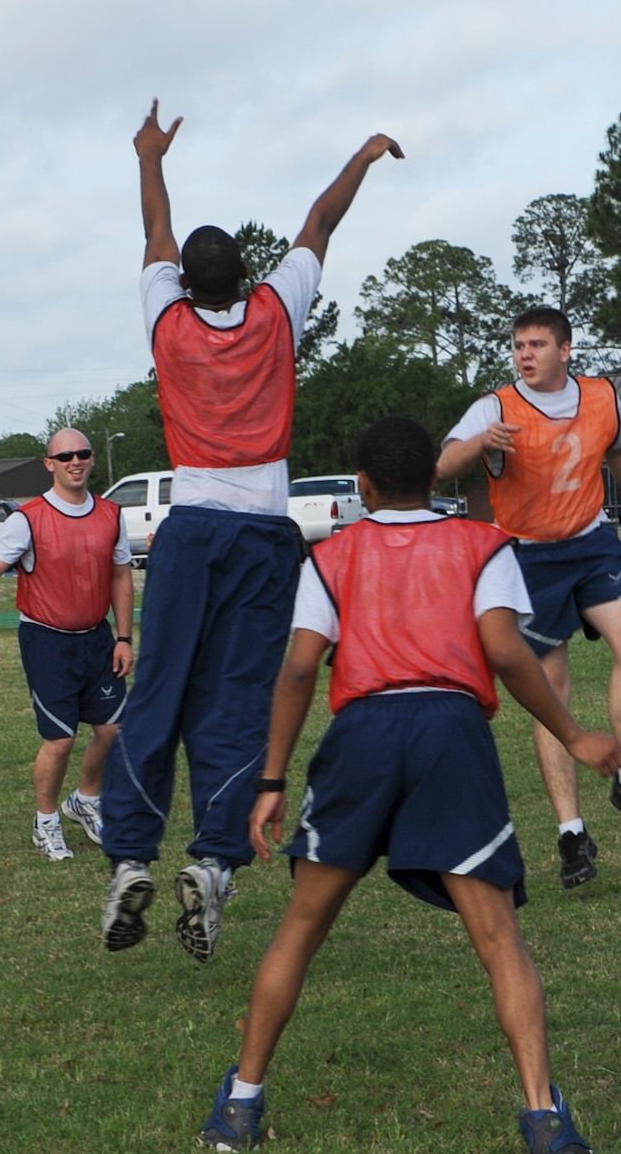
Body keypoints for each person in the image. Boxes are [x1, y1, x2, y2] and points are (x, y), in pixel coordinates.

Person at [197, 415, 621, 1154]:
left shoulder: (332, 554)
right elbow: (504, 650)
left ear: (361, 485)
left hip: (362, 733)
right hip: (451, 732)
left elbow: (299, 671)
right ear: (437, 475)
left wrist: (270, 779)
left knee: (300, 927)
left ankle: (240, 1105)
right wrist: (575, 732)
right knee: (499, 941)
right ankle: (544, 1124)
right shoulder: (480, 544)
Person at [99, 99, 402, 964]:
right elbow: (320, 220)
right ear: (246, 277)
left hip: (190, 529)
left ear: (186, 286)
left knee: (157, 689)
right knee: (239, 700)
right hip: (267, 534)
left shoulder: (167, 320)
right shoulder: (277, 312)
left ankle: (128, 857)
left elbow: (156, 225)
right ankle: (214, 863)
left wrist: (150, 154)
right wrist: (365, 154)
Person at [437, 308, 621, 891]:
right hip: (526, 556)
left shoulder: (601, 396)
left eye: (537, 343)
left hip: (590, 543)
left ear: (566, 349)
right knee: (550, 689)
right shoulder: (495, 407)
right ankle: (571, 834)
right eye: (518, 345)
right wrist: (480, 444)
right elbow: (440, 466)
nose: (525, 354)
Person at [0, 428, 136, 861]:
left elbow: (121, 575)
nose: (75, 462)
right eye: (65, 457)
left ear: (92, 459)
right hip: (47, 640)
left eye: (82, 454)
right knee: (59, 741)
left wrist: (123, 637)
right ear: (50, 464)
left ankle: (85, 799)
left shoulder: (112, 515)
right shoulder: (26, 519)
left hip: (98, 639)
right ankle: (46, 823)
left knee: (114, 730)